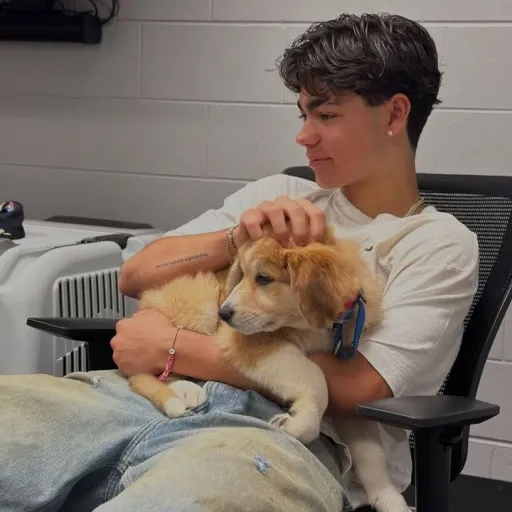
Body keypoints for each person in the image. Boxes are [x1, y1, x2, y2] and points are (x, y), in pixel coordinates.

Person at [0, 12, 478, 512]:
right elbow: (135, 275)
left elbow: (360, 387)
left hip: (280, 436)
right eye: (303, 115)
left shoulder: (437, 243)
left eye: (327, 116)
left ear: (394, 114)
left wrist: (171, 349)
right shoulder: (280, 194)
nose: (304, 136)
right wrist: (235, 239)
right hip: (137, 401)